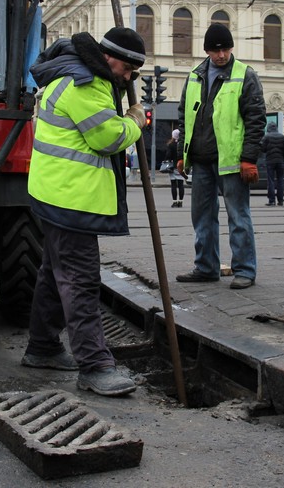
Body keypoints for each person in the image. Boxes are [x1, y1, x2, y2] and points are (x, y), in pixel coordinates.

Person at [22, 27, 148, 396]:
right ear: (111, 60)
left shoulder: (69, 73)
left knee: (52, 273)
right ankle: (95, 366)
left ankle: (43, 346)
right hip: (72, 199)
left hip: (54, 192)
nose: (127, 80)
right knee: (80, 281)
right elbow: (108, 138)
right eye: (127, 71)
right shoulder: (86, 84)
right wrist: (136, 121)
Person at [176, 23, 267, 289]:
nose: (221, 55)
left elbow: (256, 120)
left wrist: (249, 158)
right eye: (216, 50)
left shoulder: (244, 75)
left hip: (231, 160)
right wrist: (184, 153)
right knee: (202, 216)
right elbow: (185, 117)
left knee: (238, 216)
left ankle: (245, 270)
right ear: (206, 50)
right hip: (202, 159)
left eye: (226, 49)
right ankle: (205, 267)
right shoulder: (194, 75)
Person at [260, 122, 284, 207]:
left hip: (270, 161)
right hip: (280, 161)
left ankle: (271, 201)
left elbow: (263, 149)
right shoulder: (282, 137)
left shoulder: (266, 137)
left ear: (268, 128)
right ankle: (281, 201)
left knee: (271, 181)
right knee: (280, 180)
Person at [167, 129, 186, 207]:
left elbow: (168, 155)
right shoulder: (183, 144)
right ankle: (180, 202)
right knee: (181, 185)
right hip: (181, 166)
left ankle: (174, 201)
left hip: (173, 166)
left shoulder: (171, 145)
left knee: (173, 185)